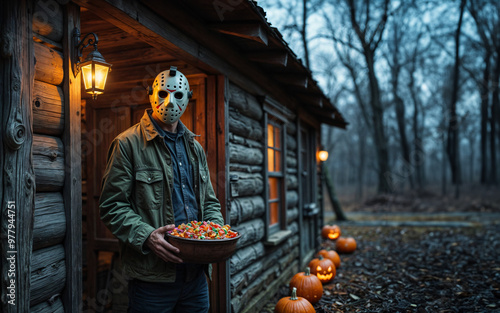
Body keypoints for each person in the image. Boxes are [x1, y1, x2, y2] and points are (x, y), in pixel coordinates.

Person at [99, 66, 224, 313]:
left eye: (178, 95)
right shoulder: (127, 144)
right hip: (151, 280)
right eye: (163, 93)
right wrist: (146, 235)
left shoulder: (195, 148)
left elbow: (209, 201)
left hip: (196, 277)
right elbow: (111, 206)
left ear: (188, 100)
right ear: (151, 94)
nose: (169, 101)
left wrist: (216, 234)